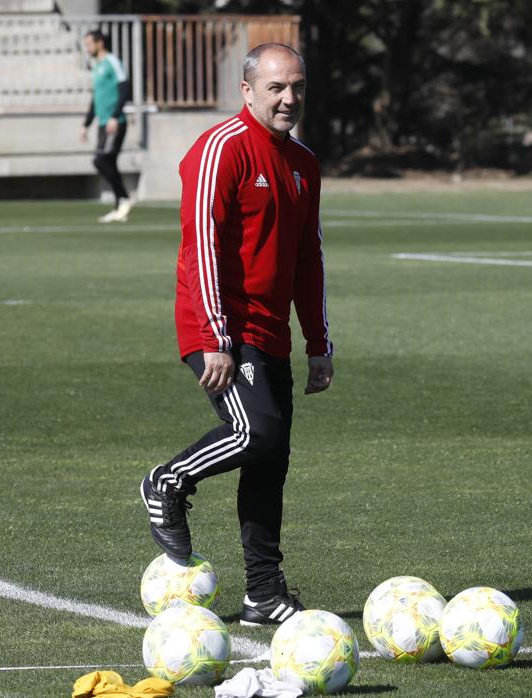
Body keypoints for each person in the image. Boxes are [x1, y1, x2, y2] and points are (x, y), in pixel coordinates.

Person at [140, 43, 332, 627]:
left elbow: (308, 259)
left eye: (297, 86)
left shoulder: (303, 162)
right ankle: (165, 482)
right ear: (247, 91)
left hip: (270, 333)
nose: (289, 98)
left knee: (271, 459)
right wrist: (217, 336)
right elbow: (202, 248)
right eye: (276, 87)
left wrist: (318, 342)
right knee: (257, 431)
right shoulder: (221, 149)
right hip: (218, 324)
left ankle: (263, 594)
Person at [80, 30, 132, 223]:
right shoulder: (97, 67)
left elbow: (125, 87)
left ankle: (124, 198)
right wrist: (86, 124)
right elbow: (96, 98)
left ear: (100, 43)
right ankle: (120, 204)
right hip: (103, 124)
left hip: (114, 122)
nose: (87, 48)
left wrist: (115, 115)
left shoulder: (112, 61)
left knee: (101, 160)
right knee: (106, 161)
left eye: (89, 44)